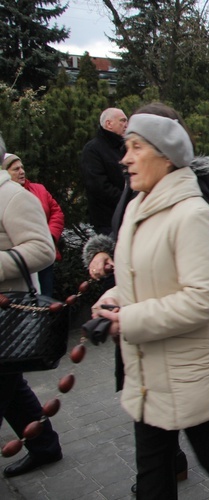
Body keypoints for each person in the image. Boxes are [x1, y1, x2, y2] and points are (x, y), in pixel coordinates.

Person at [91, 111, 209, 499]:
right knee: (153, 477)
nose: (125, 158)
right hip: (150, 375)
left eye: (135, 147)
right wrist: (112, 299)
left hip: (193, 376)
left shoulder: (192, 216)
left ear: (166, 156)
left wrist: (130, 320)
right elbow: (139, 278)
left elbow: (204, 299)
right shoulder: (139, 210)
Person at [0, 135, 63, 479]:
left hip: (8, 310)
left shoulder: (10, 195)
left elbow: (41, 249)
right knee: (10, 383)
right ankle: (45, 446)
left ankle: (45, 447)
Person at [1, 154, 64, 297]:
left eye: (22, 167)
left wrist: (48, 236)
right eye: (15, 169)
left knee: (44, 299)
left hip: (40, 253)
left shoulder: (35, 190)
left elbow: (57, 213)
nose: (21, 171)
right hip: (22, 263)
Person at [80, 108, 128, 235]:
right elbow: (98, 186)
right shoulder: (93, 150)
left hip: (128, 216)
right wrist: (126, 199)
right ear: (109, 124)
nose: (126, 125)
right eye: (122, 121)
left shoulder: (127, 148)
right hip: (107, 221)